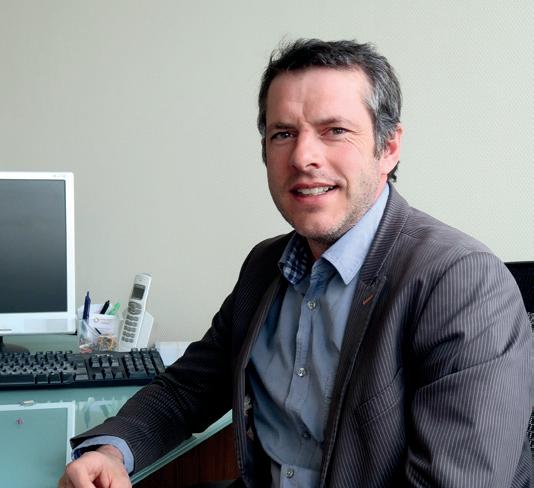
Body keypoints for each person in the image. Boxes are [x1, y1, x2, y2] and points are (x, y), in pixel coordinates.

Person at [59, 39, 533, 488]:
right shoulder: (265, 266)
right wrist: (111, 451)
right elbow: (187, 390)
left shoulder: (463, 284)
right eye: (283, 134)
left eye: (335, 131)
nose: (304, 157)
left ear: (388, 147)